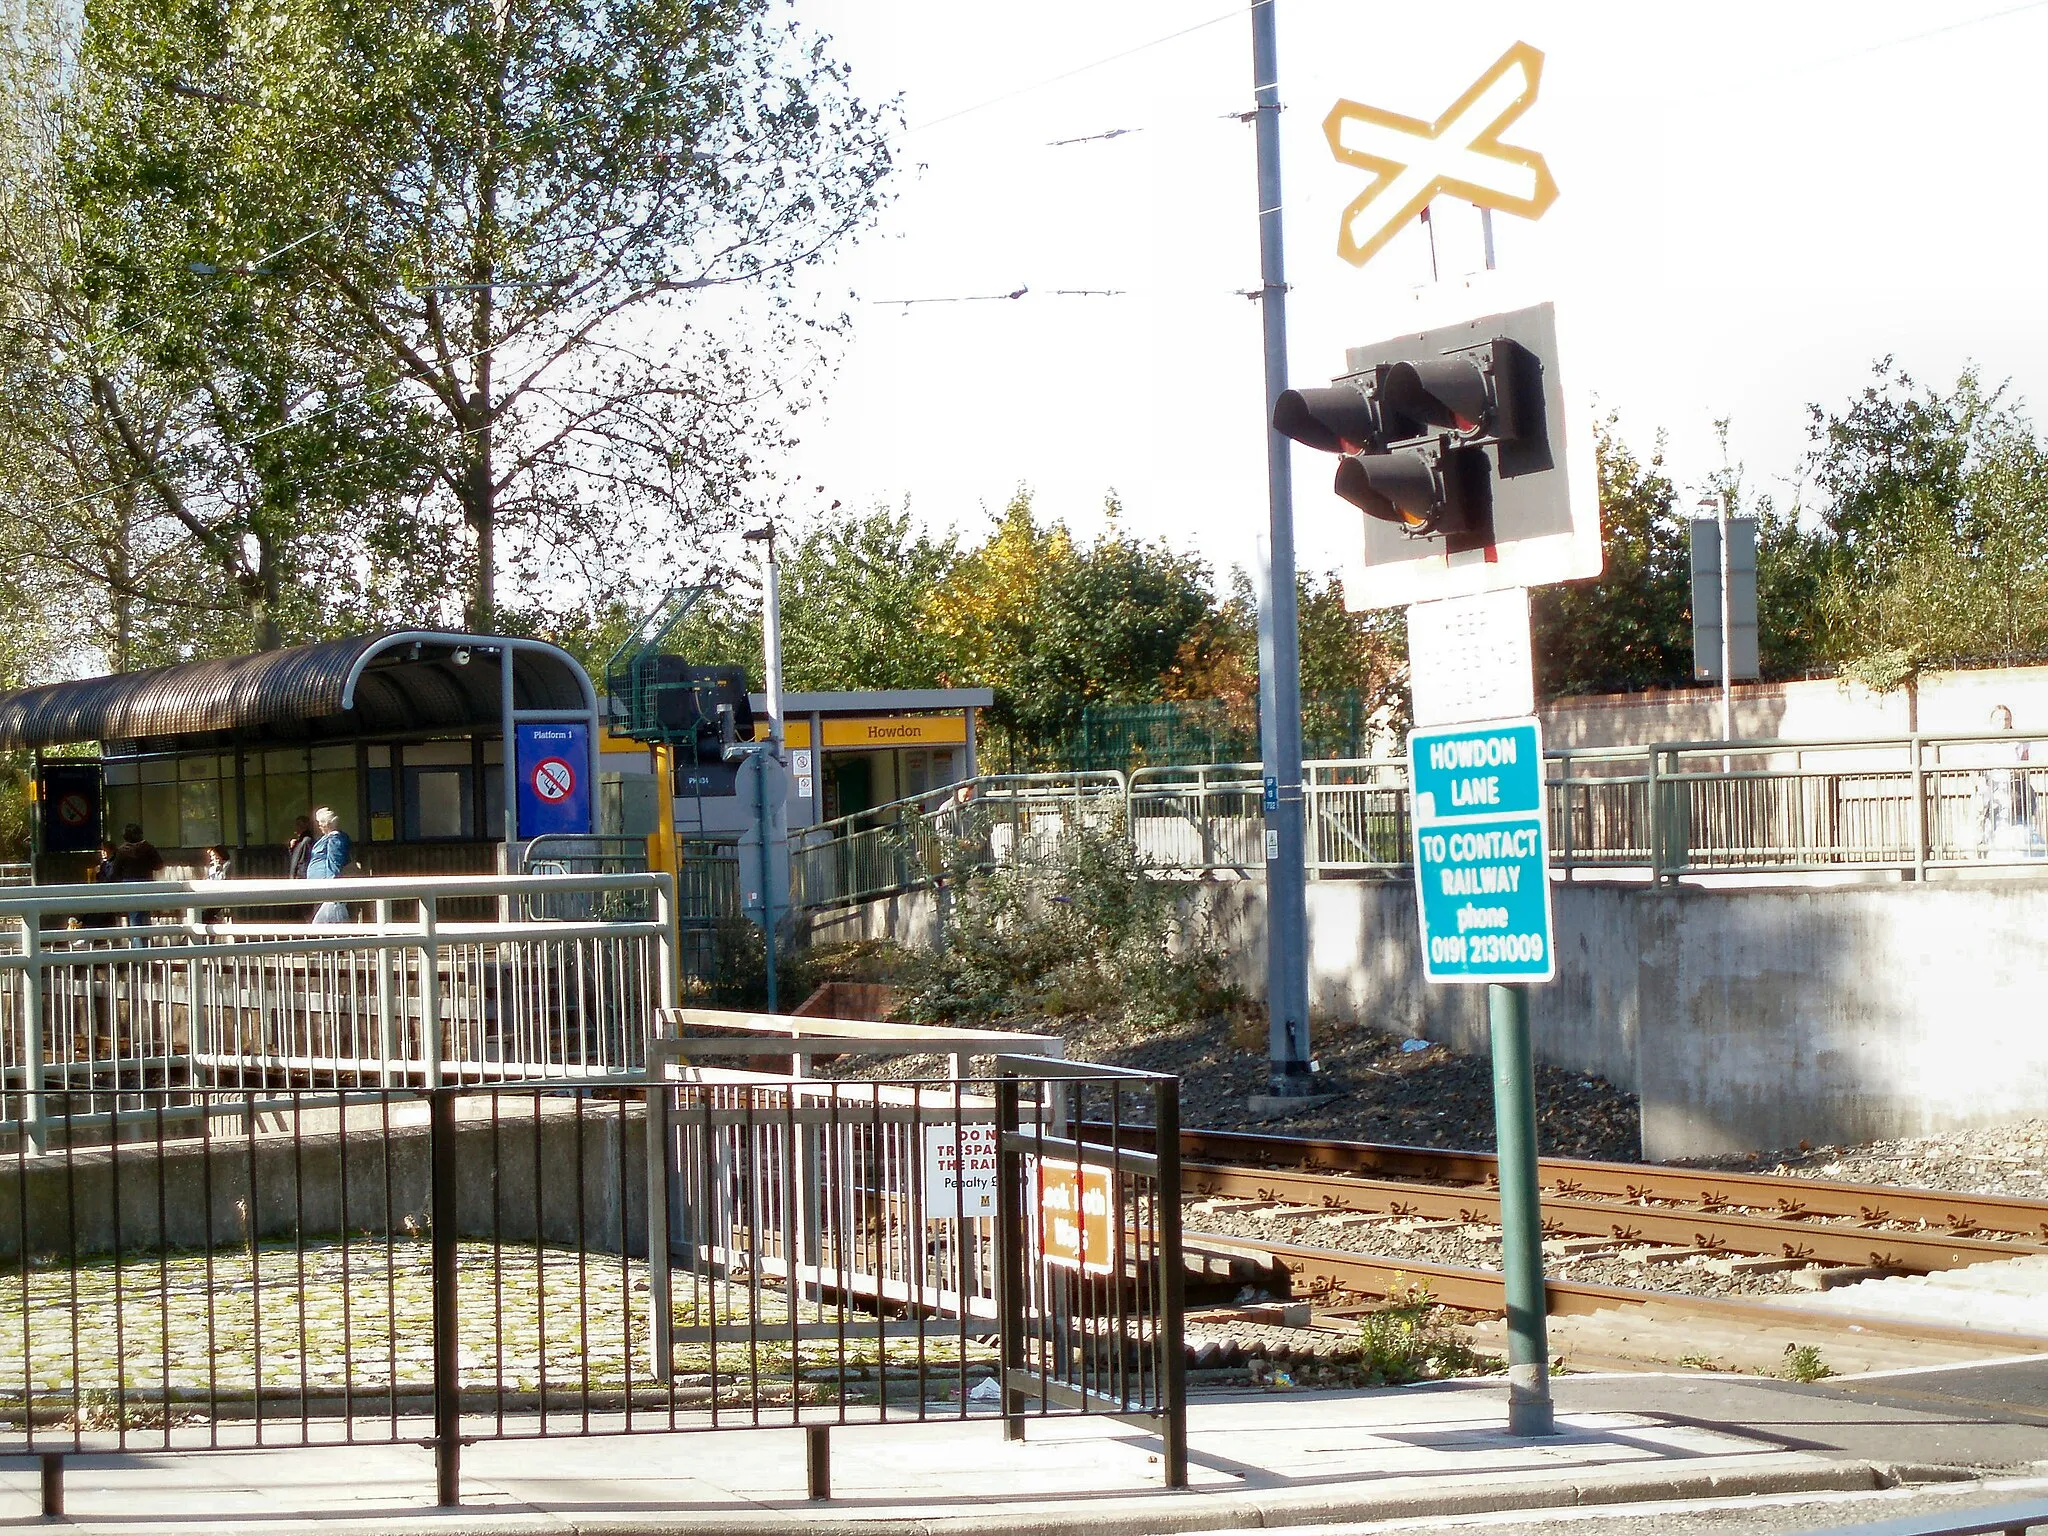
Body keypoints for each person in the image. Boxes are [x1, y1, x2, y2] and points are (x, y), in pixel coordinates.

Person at [1975, 705, 2043, 859]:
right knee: (1990, 812)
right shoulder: (1982, 740)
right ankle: (1988, 847)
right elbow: (1977, 768)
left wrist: (2017, 774)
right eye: (1999, 719)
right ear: (1992, 721)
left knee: (2020, 807)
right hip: (1992, 784)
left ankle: (2022, 847)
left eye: (2006, 719)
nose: (2003, 722)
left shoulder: (2019, 739)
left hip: (2013, 784)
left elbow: (2025, 764)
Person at [108, 822, 164, 938]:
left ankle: (138, 949)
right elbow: (158, 864)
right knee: (145, 917)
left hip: (129, 885)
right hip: (146, 883)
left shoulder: (122, 851)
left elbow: (115, 872)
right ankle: (146, 946)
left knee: (134, 917)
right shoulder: (148, 848)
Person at [304, 806, 353, 923]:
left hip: (326, 888)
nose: (319, 825)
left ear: (327, 824)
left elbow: (335, 862)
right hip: (320, 888)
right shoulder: (327, 838)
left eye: (320, 822)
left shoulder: (335, 839)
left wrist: (332, 888)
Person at [201, 845, 233, 926]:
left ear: (220, 855)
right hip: (213, 895)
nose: (212, 858)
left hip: (224, 896)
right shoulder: (213, 868)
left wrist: (219, 869)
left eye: (214, 855)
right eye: (211, 856)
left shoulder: (228, 865)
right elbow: (210, 881)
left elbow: (224, 880)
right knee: (204, 913)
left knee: (206, 914)